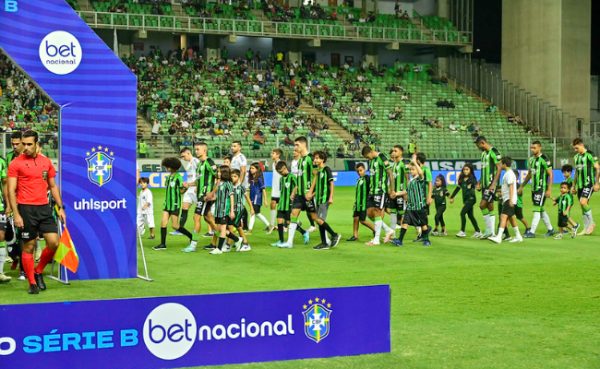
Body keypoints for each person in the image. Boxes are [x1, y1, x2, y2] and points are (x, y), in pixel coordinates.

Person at [7, 130, 66, 294]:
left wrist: (60, 208)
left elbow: (53, 186)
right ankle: (32, 283)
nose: (25, 147)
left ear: (36, 144)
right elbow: (11, 191)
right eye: (23, 144)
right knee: (29, 247)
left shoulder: (46, 162)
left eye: (28, 144)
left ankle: (38, 271)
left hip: (44, 208)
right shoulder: (16, 163)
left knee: (54, 243)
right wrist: (16, 214)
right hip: (25, 209)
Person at [282, 137, 341, 249]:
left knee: (315, 218)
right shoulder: (300, 161)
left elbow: (316, 175)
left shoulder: (310, 159)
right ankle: (289, 242)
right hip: (299, 195)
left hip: (307, 195)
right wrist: (295, 191)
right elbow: (300, 178)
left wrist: (311, 192)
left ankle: (332, 236)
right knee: (293, 215)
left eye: (297, 145)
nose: (295, 147)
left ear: (304, 145)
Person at [183, 142, 218, 252]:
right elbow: (198, 181)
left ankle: (193, 245)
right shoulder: (199, 165)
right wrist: (188, 184)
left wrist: (212, 193)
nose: (196, 151)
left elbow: (219, 177)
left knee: (196, 217)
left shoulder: (209, 162)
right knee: (208, 219)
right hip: (200, 196)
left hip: (205, 196)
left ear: (204, 150)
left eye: (198, 149)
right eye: (195, 149)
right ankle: (227, 237)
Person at [152, 157, 193, 250]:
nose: (166, 168)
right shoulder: (169, 177)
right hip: (167, 204)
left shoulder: (178, 178)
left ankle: (191, 236)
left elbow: (181, 192)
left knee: (175, 226)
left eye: (167, 166)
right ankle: (163, 244)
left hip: (175, 205)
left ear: (171, 167)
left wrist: (185, 188)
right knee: (163, 223)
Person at [392, 155, 431, 247]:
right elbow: (406, 191)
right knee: (405, 222)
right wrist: (396, 194)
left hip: (419, 206)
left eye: (413, 170)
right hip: (410, 206)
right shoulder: (411, 181)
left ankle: (426, 239)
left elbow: (421, 173)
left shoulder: (420, 179)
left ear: (417, 170)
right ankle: (400, 240)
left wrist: (415, 162)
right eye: (411, 170)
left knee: (423, 224)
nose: (411, 171)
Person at [519, 141, 555, 238]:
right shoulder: (531, 160)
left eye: (534, 148)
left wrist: (549, 189)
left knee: (536, 209)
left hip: (541, 188)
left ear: (540, 148)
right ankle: (551, 229)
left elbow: (550, 174)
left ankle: (532, 232)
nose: (532, 149)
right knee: (541, 209)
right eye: (531, 148)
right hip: (533, 188)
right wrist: (522, 186)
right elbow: (530, 174)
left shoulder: (544, 159)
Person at [361, 145, 395, 246]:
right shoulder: (371, 161)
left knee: (377, 212)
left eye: (367, 156)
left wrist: (392, 190)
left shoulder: (382, 157)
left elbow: (390, 173)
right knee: (369, 213)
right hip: (372, 191)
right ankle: (388, 230)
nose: (367, 159)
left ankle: (376, 239)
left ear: (371, 152)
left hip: (380, 190)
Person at [271, 162, 309, 247]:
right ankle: (281, 241)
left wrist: (293, 193)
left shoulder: (292, 176)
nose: (280, 173)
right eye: (279, 172)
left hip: (289, 203)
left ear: (285, 168)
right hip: (281, 204)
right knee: (279, 221)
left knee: (289, 222)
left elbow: (297, 186)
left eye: (281, 171)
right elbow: (282, 191)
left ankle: (304, 232)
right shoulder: (281, 179)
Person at [488, 157, 523, 244]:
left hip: (509, 199)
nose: (499, 165)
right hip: (507, 198)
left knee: (503, 217)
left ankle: (499, 237)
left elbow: (511, 187)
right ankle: (518, 236)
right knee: (511, 218)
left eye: (500, 163)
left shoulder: (509, 174)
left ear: (504, 164)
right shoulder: (508, 173)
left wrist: (510, 200)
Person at [475, 136, 502, 238]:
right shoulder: (483, 154)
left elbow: (499, 168)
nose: (477, 147)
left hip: (491, 184)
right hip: (485, 184)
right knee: (489, 206)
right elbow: (483, 170)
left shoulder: (494, 152)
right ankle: (492, 232)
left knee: (482, 205)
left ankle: (489, 230)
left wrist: (494, 183)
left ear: (482, 143)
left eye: (478, 145)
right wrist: (479, 182)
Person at [571, 138, 600, 235]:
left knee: (583, 202)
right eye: (574, 149)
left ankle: (591, 223)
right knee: (583, 206)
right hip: (580, 185)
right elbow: (576, 172)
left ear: (581, 145)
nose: (575, 150)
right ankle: (586, 228)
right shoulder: (576, 157)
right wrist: (573, 186)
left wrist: (597, 183)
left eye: (576, 148)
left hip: (589, 183)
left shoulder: (590, 155)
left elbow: (598, 169)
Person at [210, 166, 239, 255]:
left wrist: (232, 210)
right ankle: (237, 239)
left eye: (220, 172)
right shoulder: (219, 183)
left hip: (224, 210)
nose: (218, 173)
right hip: (218, 210)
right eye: (218, 172)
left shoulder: (228, 183)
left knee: (222, 229)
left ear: (224, 173)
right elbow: (217, 195)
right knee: (218, 229)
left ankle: (219, 249)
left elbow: (231, 196)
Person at [450, 163, 482, 238]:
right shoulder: (461, 179)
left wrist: (479, 188)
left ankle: (462, 231)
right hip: (466, 200)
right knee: (470, 216)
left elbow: (478, 188)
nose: (465, 171)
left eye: (467, 169)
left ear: (470, 170)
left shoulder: (472, 179)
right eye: (464, 169)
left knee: (462, 213)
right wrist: (452, 197)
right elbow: (458, 188)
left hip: (471, 199)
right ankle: (478, 231)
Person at [172, 147, 199, 235]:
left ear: (188, 153)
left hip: (196, 189)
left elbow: (200, 176)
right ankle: (180, 229)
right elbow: (191, 177)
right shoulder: (188, 164)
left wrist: (197, 186)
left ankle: (215, 229)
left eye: (183, 156)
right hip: (189, 189)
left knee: (207, 214)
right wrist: (186, 186)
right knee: (184, 207)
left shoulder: (196, 161)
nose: (183, 158)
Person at [312, 151, 335, 249]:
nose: (315, 160)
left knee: (320, 220)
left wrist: (331, 197)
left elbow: (331, 183)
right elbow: (318, 187)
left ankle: (334, 235)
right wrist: (312, 194)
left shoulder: (326, 169)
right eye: (314, 158)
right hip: (318, 199)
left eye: (317, 158)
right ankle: (324, 243)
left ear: (322, 159)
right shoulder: (319, 171)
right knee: (319, 221)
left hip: (325, 199)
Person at [347, 163, 375, 241]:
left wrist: (369, 201)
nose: (359, 172)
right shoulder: (358, 180)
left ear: (364, 170)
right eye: (358, 171)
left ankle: (375, 230)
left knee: (362, 220)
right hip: (358, 204)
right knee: (355, 218)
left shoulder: (367, 178)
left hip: (364, 203)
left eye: (361, 170)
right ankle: (355, 236)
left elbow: (371, 189)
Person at [229, 169, 252, 252]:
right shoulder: (230, 186)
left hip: (239, 209)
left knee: (231, 225)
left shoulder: (241, 187)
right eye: (231, 176)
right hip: (232, 209)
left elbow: (247, 198)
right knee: (238, 227)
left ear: (239, 177)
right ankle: (243, 243)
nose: (232, 178)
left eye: (235, 176)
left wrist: (251, 208)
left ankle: (230, 243)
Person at [388, 145, 408, 236]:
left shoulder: (404, 163)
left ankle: (420, 229)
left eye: (395, 151)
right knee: (392, 212)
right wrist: (391, 190)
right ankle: (393, 234)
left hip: (401, 193)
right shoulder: (394, 164)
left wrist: (406, 192)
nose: (393, 152)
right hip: (393, 193)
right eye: (393, 151)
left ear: (401, 152)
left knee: (404, 214)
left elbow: (408, 179)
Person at [247, 162, 270, 233]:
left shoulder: (259, 178)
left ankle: (250, 230)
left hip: (257, 198)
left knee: (253, 213)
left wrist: (265, 200)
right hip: (252, 198)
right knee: (257, 214)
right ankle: (269, 225)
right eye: (250, 168)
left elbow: (263, 189)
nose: (251, 169)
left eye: (253, 168)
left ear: (257, 169)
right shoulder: (251, 178)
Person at [0, 154, 10, 283]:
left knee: (1, 235)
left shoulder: (1, 161)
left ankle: (0, 272)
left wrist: (8, 204)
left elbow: (5, 184)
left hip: (0, 206)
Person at [269, 148, 283, 233]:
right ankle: (272, 224)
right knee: (273, 204)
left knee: (282, 209)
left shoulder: (281, 164)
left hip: (281, 190)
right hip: (275, 189)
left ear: (278, 155)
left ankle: (287, 223)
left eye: (273, 153)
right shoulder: (273, 164)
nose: (271, 154)